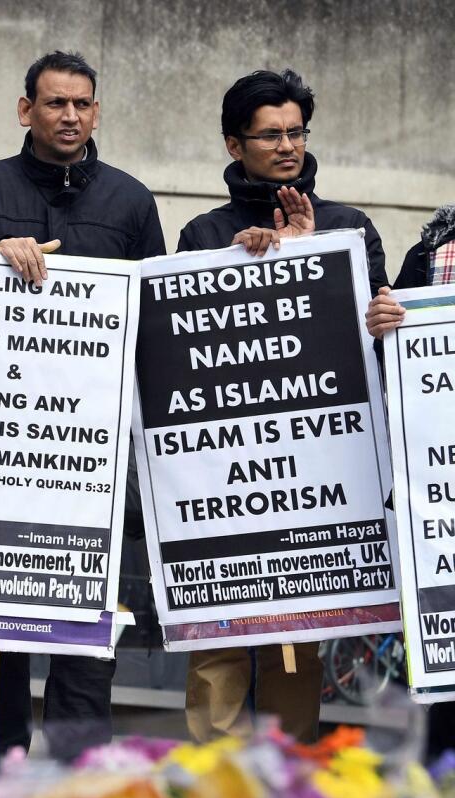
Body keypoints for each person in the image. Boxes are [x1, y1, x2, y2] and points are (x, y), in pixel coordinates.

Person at [0, 50, 165, 765]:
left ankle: (80, 775)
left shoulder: (132, 203)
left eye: (82, 104)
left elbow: (152, 327)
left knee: (86, 626)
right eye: (54, 104)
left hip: (91, 455)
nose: (69, 116)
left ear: (96, 112)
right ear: (26, 110)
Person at [179, 68, 386, 744]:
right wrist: (243, 271)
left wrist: (308, 251)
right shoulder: (203, 231)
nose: (288, 146)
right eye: (271, 135)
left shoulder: (348, 228)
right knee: (218, 647)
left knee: (296, 644)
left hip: (315, 477)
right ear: (235, 145)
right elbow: (184, 351)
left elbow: (371, 338)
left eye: (296, 132)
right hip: (224, 478)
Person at [364, 204, 455, 760]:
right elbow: (390, 360)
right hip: (438, 501)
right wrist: (382, 327)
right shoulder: (431, 254)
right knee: (441, 670)